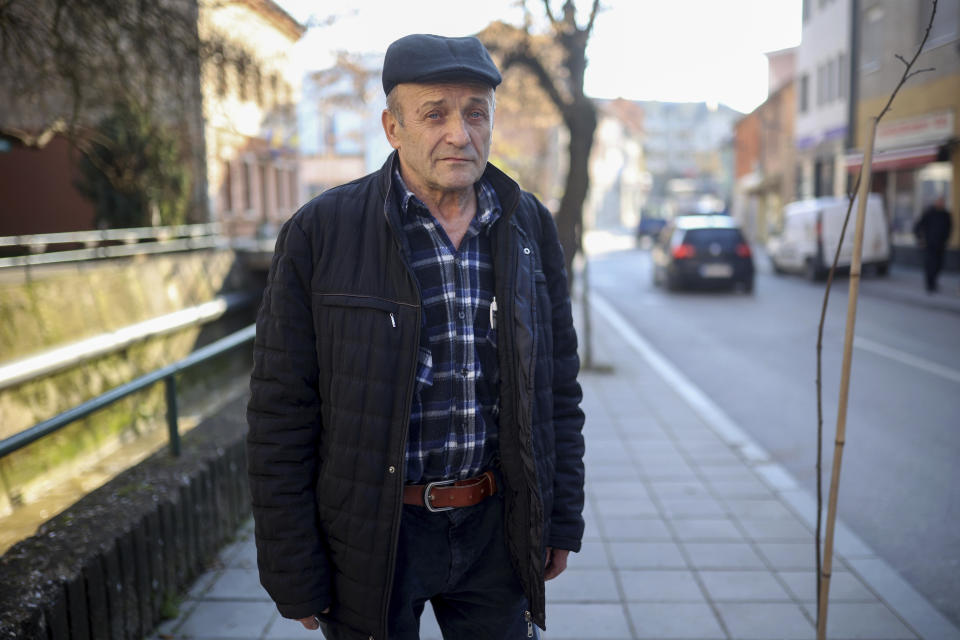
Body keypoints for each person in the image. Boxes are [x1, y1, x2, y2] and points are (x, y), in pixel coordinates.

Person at [246, 33, 585, 640]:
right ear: (392, 126)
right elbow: (280, 413)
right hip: (373, 536)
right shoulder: (321, 232)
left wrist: (559, 520)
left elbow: (557, 387)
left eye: (476, 113)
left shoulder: (527, 224)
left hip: (494, 529)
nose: (460, 132)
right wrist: (292, 566)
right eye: (435, 114)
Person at [913, 196, 953, 292]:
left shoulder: (946, 214)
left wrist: (946, 238)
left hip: (941, 244)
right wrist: (920, 238)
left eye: (942, 202)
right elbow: (918, 226)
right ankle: (929, 284)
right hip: (930, 244)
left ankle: (934, 282)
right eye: (939, 202)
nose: (941, 204)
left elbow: (949, 227)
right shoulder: (929, 212)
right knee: (930, 265)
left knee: (939, 265)